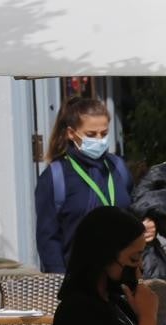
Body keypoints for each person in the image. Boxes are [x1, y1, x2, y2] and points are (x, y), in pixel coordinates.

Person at [35, 97, 138, 273]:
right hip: (78, 283)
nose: (99, 140)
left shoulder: (118, 168)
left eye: (104, 134)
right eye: (91, 135)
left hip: (122, 279)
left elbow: (134, 216)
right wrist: (62, 285)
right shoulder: (56, 177)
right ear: (71, 133)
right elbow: (48, 240)